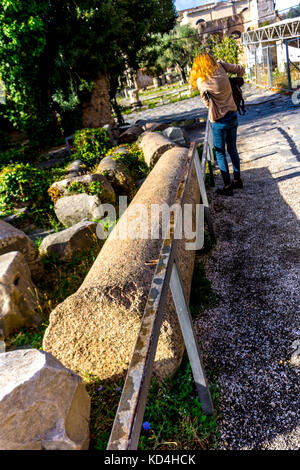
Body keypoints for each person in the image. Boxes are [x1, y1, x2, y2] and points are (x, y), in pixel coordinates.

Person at [189, 53, 245, 196]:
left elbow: (207, 103)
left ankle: (227, 186)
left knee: (220, 153)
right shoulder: (221, 66)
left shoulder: (201, 81)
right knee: (232, 148)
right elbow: (240, 68)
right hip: (233, 113)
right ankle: (237, 180)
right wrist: (238, 79)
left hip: (219, 120)